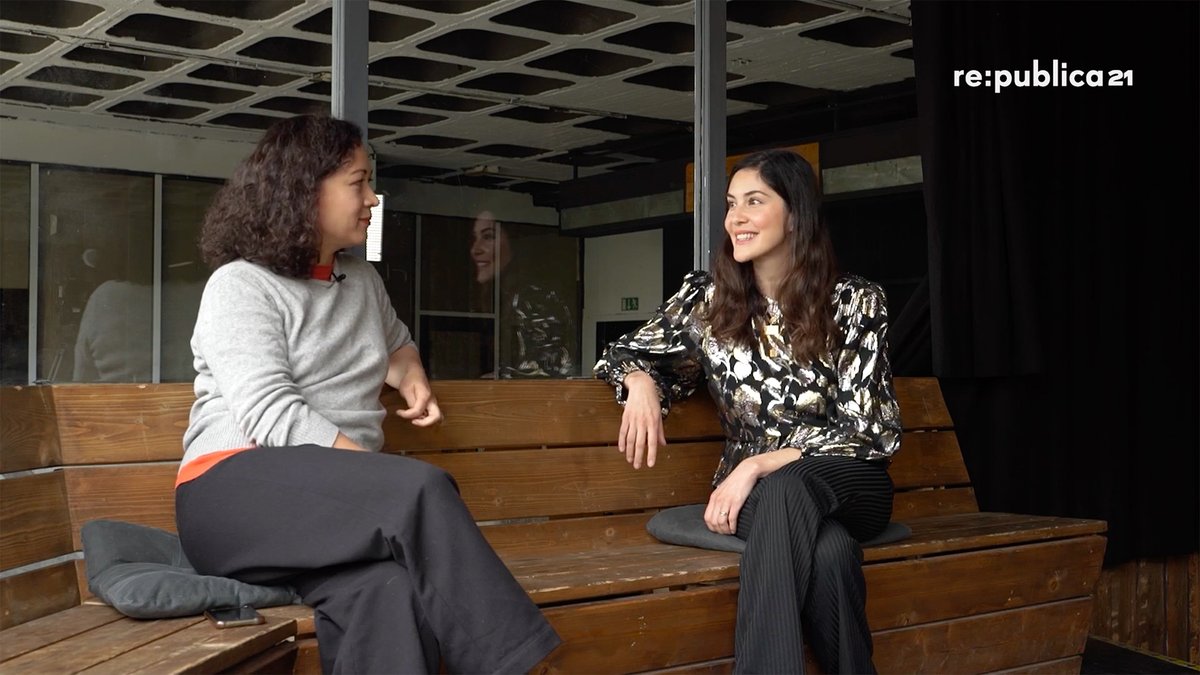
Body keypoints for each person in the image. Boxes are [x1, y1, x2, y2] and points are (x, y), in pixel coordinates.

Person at [174, 114, 560, 674]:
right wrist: (371, 481)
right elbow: (271, 413)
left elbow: (396, 345)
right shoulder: (240, 284)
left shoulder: (361, 280)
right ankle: (523, 666)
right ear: (304, 190)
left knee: (388, 593)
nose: (373, 199)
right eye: (358, 183)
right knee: (419, 489)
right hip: (231, 497)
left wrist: (412, 376)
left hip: (325, 515)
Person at [594, 149, 900, 674]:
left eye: (754, 202)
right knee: (829, 552)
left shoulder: (854, 301)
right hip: (757, 498)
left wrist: (759, 463)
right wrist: (639, 380)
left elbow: (870, 431)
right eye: (731, 204)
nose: (736, 217)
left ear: (796, 214)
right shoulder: (708, 300)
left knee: (787, 489)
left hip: (848, 481)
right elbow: (622, 353)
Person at [469, 211, 574, 378]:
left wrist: (498, 378)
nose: (475, 249)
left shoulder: (535, 299)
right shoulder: (500, 297)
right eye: (475, 238)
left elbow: (547, 369)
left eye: (488, 237)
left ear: (512, 242)